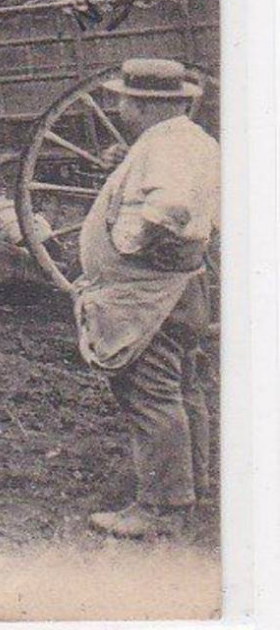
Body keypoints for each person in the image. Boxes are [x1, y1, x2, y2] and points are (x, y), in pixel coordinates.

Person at [74, 58, 219, 539]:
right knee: (184, 388)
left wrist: (127, 244)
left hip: (150, 297)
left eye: (123, 100)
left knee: (150, 395)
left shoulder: (167, 147)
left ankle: (161, 508)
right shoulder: (190, 140)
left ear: (144, 106)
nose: (117, 107)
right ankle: (193, 484)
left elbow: (171, 208)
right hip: (182, 289)